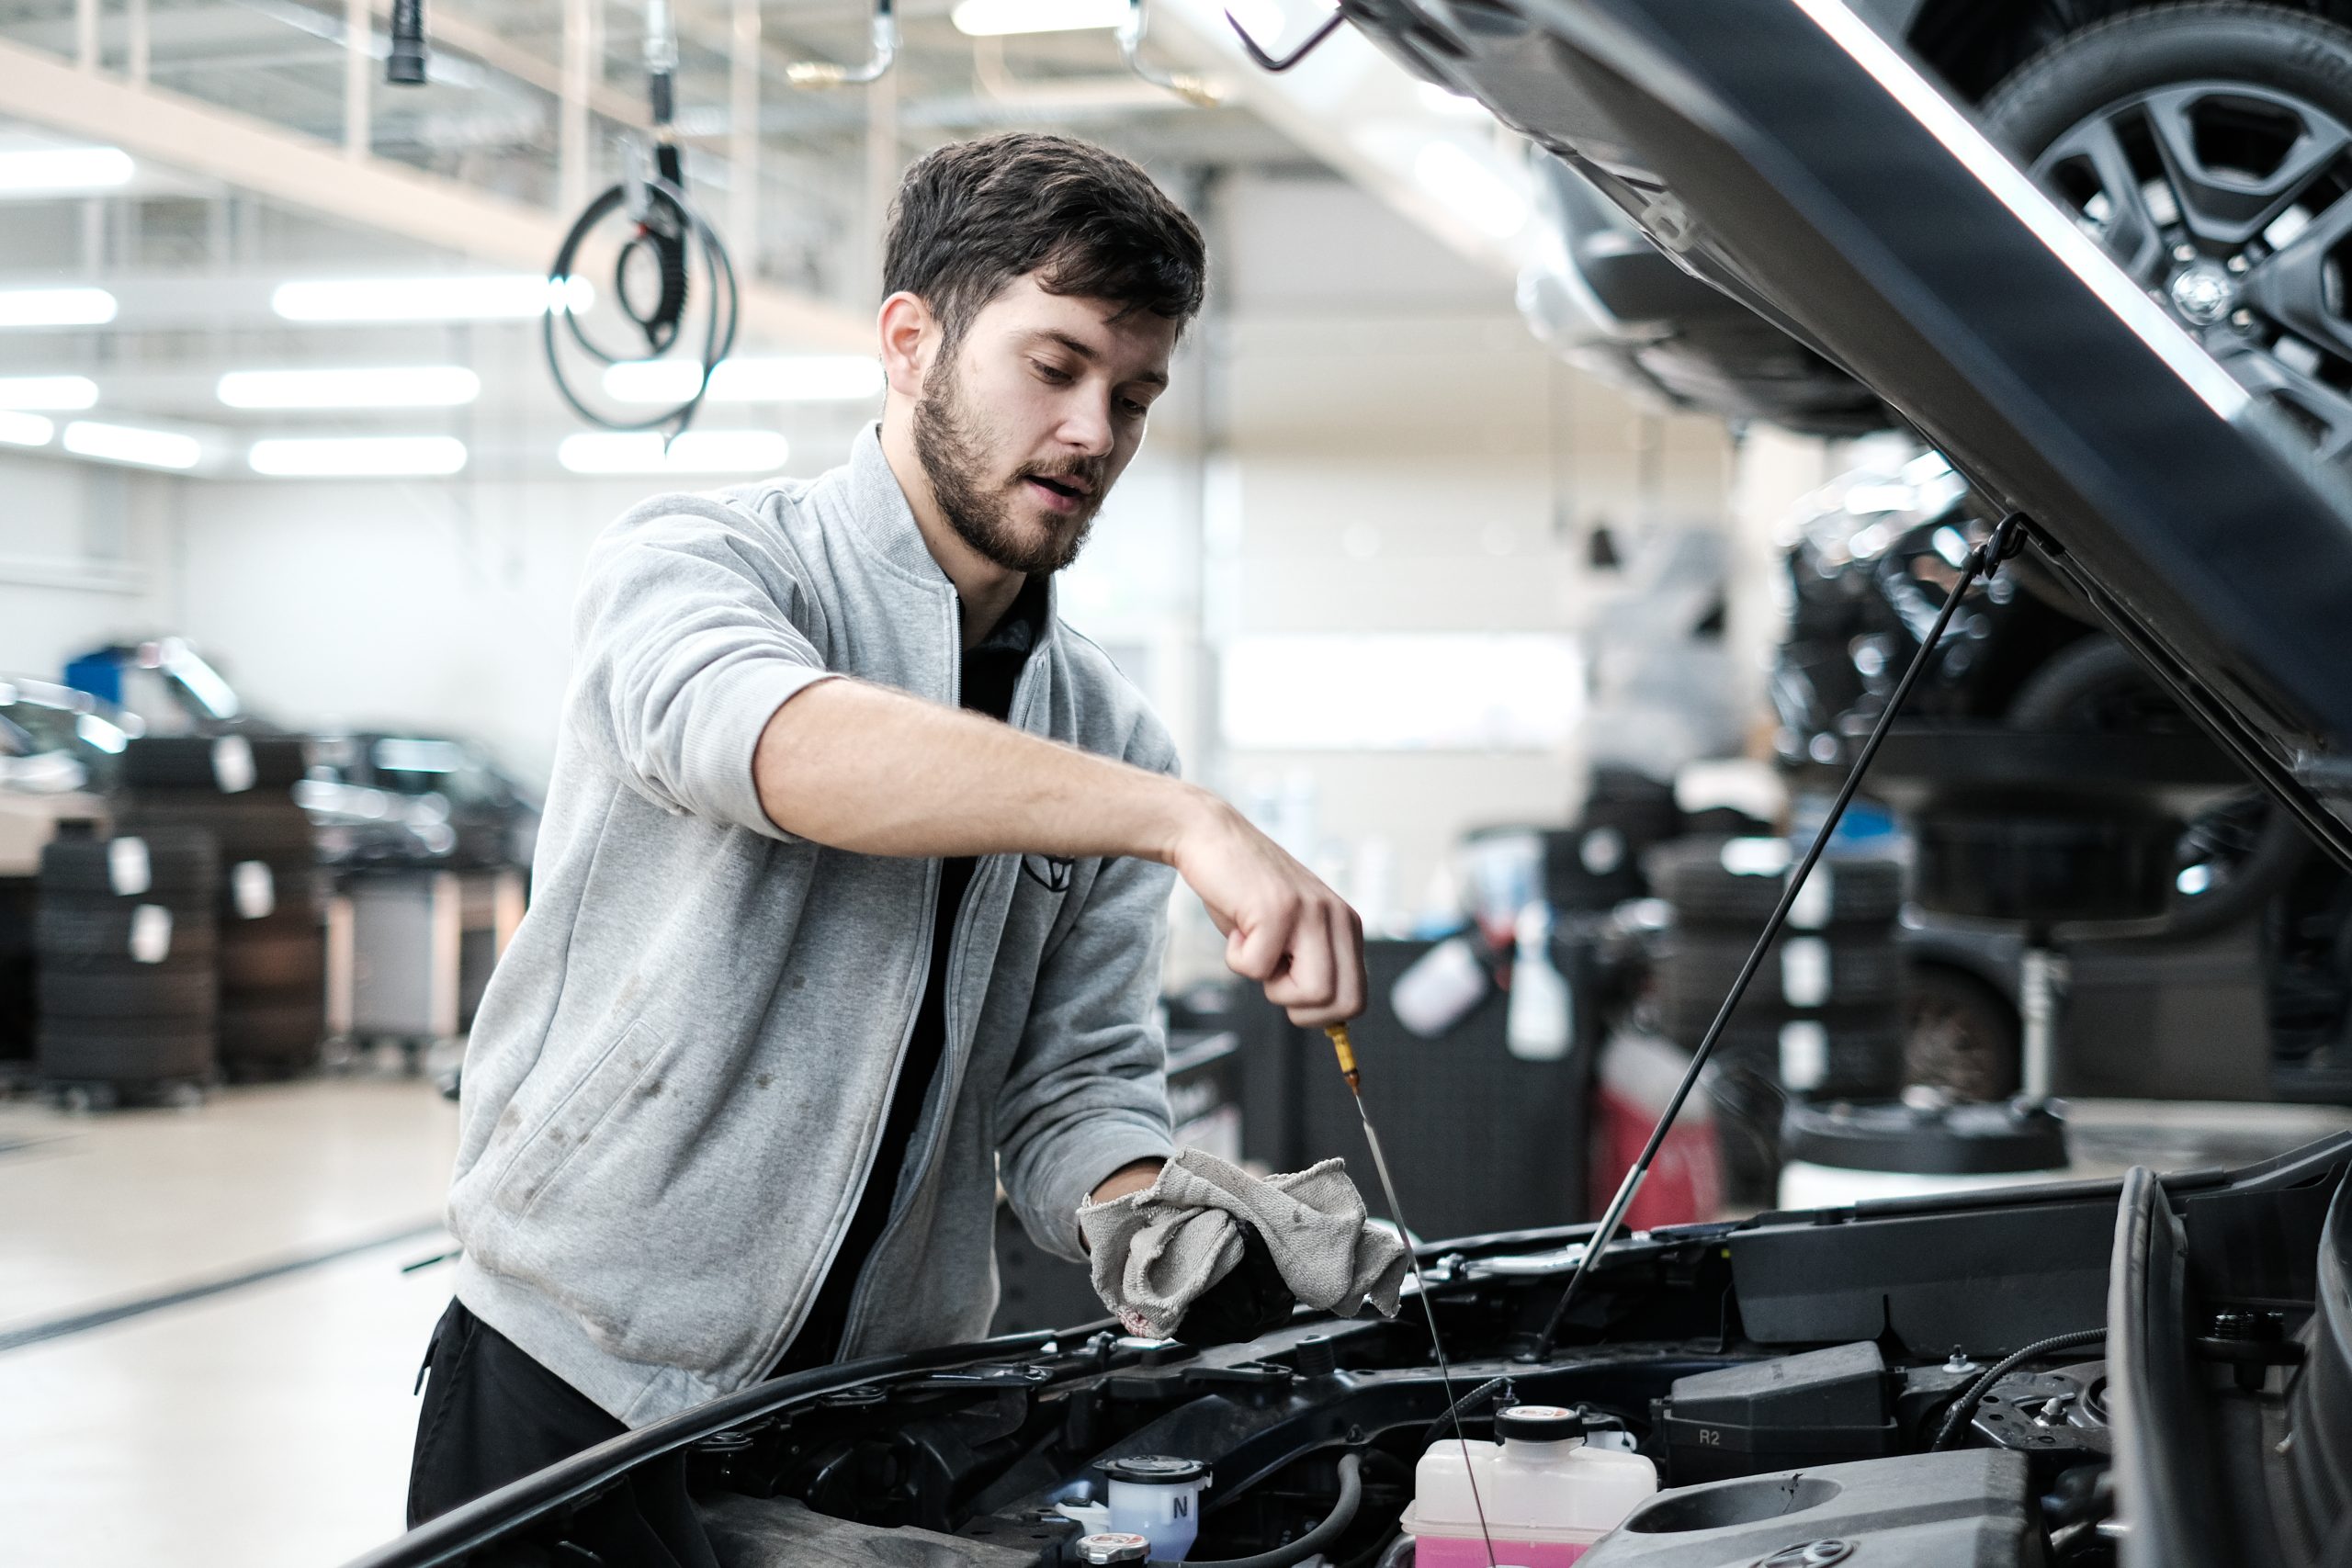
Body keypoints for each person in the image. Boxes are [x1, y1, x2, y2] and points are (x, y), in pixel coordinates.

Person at [406, 132, 1366, 1548]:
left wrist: (1155, 1216)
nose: (1096, 432)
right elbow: (776, 747)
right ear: (911, 341)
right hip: (570, 1382)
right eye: (1055, 367)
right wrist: (1178, 821)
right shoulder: (704, 565)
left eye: (1135, 394)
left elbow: (1070, 1094)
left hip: (877, 1418)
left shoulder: (1109, 729)